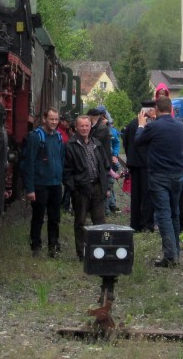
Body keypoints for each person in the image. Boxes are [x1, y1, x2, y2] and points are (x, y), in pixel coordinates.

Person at [135, 95, 183, 267]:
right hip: (177, 174)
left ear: (156, 109)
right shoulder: (181, 126)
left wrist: (142, 125)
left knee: (163, 214)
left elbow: (138, 141)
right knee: (174, 213)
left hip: (159, 175)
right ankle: (176, 251)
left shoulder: (154, 127)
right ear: (171, 109)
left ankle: (170, 255)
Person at [63, 114, 112, 260]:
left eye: (87, 126)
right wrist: (73, 188)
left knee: (100, 222)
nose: (84, 128)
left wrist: (106, 186)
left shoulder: (96, 143)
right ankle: (82, 254)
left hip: (97, 187)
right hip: (81, 189)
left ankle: (100, 252)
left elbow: (104, 165)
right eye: (81, 126)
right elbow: (66, 171)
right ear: (76, 127)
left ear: (91, 127)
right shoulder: (71, 146)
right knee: (80, 222)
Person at [22, 107, 65, 257]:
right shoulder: (35, 137)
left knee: (55, 218)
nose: (54, 122)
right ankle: (36, 246)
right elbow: (28, 164)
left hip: (55, 184)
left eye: (56, 119)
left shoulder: (59, 137)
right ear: (44, 119)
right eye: (51, 119)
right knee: (38, 217)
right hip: (40, 184)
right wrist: (30, 188)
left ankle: (53, 246)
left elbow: (62, 159)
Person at [122, 99, 154, 233]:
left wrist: (131, 156)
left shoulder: (132, 123)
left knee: (135, 196)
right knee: (147, 195)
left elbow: (125, 141)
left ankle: (135, 224)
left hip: (134, 164)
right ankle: (147, 224)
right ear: (150, 111)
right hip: (146, 164)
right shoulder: (149, 125)